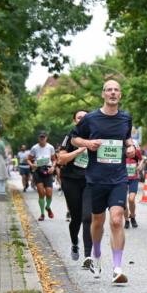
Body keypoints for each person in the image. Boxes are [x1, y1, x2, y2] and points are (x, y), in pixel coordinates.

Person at [71, 79, 133, 285]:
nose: (113, 93)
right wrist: (88, 143)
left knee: (116, 219)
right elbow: (74, 139)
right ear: (103, 94)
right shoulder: (90, 119)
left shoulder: (126, 118)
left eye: (116, 90)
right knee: (97, 222)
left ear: (120, 95)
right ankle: (96, 255)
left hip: (118, 178)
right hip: (96, 178)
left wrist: (131, 146)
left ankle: (117, 268)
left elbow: (127, 138)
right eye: (109, 90)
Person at [57, 110, 93, 264]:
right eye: (79, 118)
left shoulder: (94, 136)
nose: (83, 119)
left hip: (89, 181)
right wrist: (79, 150)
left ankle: (88, 255)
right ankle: (74, 243)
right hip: (71, 180)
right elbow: (61, 159)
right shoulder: (70, 136)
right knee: (76, 218)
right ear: (74, 121)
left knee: (87, 217)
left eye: (85, 117)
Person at [28, 132, 56, 219]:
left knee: (49, 194)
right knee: (41, 193)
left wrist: (53, 167)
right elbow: (28, 159)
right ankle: (42, 214)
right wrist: (32, 165)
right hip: (38, 170)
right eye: (41, 137)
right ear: (38, 138)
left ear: (46, 138)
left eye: (43, 137)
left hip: (48, 170)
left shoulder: (50, 147)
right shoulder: (34, 148)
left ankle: (47, 207)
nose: (42, 139)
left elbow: (54, 159)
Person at [124, 143, 144, 228]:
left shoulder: (137, 151)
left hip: (134, 178)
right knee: (123, 202)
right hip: (122, 179)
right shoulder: (121, 151)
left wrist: (140, 165)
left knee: (131, 199)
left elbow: (142, 160)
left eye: (132, 152)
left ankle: (132, 216)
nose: (131, 154)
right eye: (129, 153)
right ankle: (126, 220)